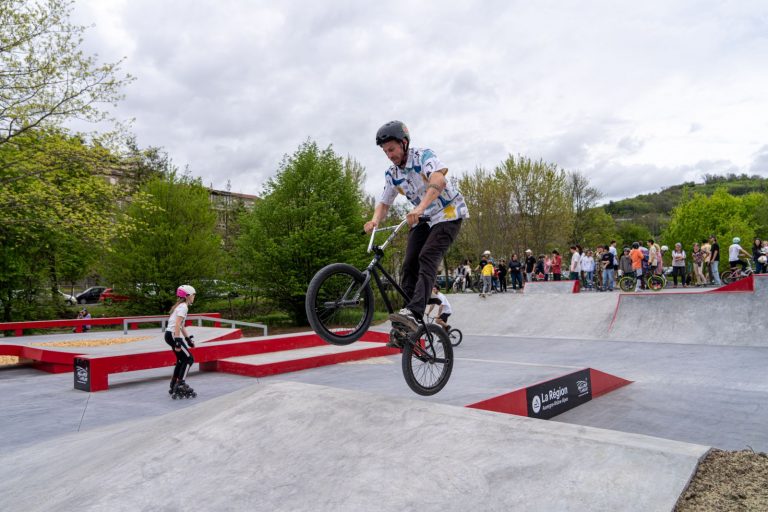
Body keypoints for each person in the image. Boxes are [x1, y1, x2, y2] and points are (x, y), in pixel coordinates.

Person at [365, 121, 469, 333]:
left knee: (427, 256)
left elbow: (438, 179)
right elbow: (384, 203)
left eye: (392, 149)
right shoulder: (392, 174)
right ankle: (406, 321)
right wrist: (375, 219)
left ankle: (416, 311)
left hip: (448, 214)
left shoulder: (423, 157)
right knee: (410, 262)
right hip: (423, 217)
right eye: (385, 152)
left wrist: (420, 207)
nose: (390, 155)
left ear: (404, 143)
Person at [166, 285, 197, 398]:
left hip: (170, 335)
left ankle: (174, 383)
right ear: (188, 296)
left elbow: (181, 326)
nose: (194, 297)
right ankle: (181, 384)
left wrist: (188, 339)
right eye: (193, 295)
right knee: (189, 359)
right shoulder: (183, 307)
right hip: (173, 335)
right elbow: (178, 324)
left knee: (181, 360)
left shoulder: (179, 306)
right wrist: (178, 341)